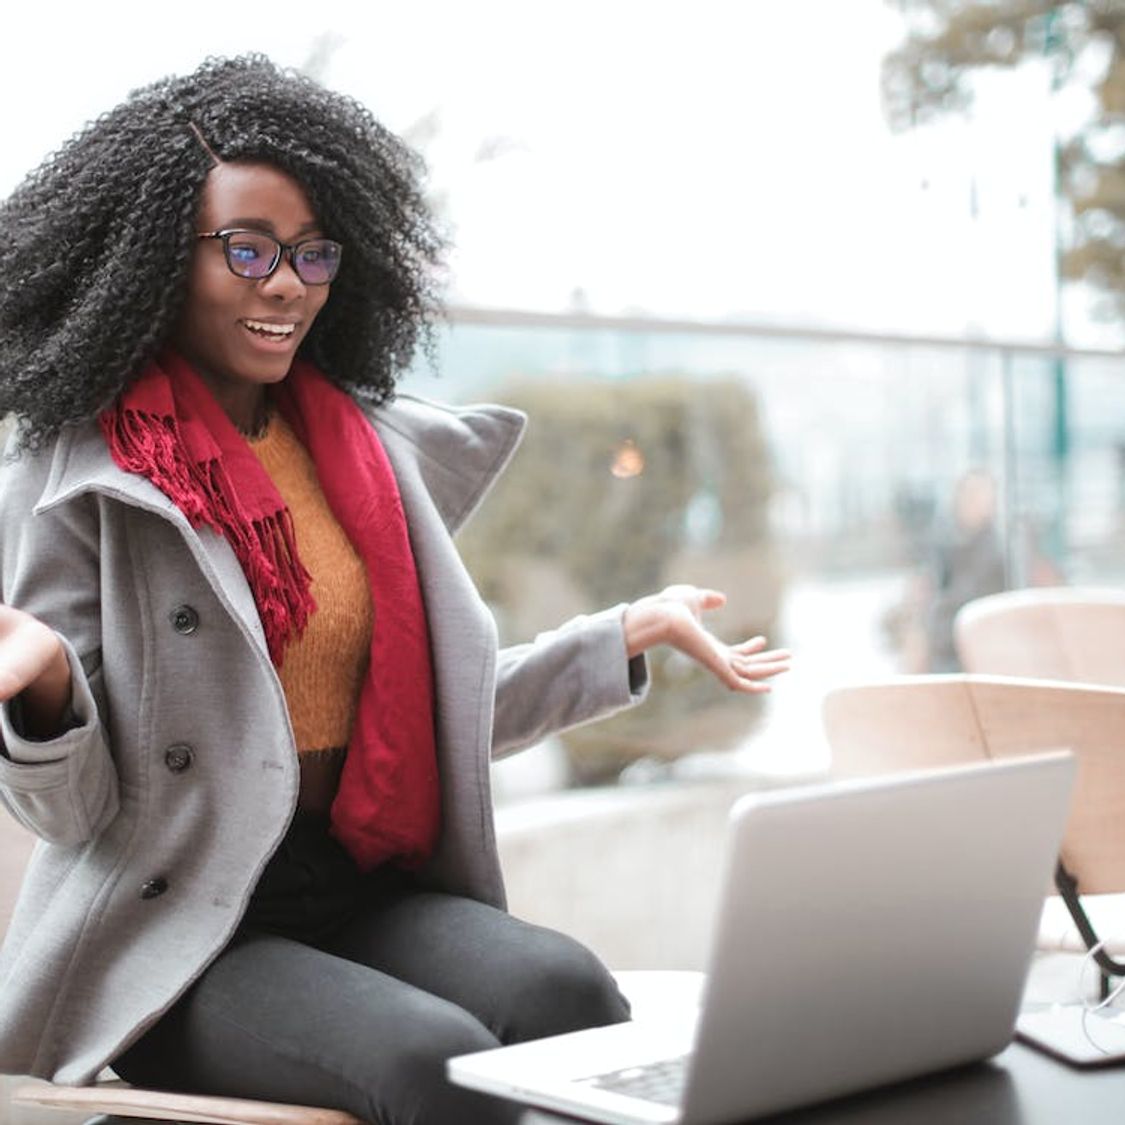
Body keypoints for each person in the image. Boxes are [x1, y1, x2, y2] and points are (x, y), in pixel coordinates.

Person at [0, 56, 789, 1125]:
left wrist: (623, 638)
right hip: (183, 924)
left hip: (359, 879)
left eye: (313, 254)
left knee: (569, 992)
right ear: (151, 258)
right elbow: (78, 811)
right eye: (247, 249)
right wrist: (41, 693)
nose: (287, 285)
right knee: (435, 1061)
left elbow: (422, 717)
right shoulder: (82, 477)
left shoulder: (363, 455)